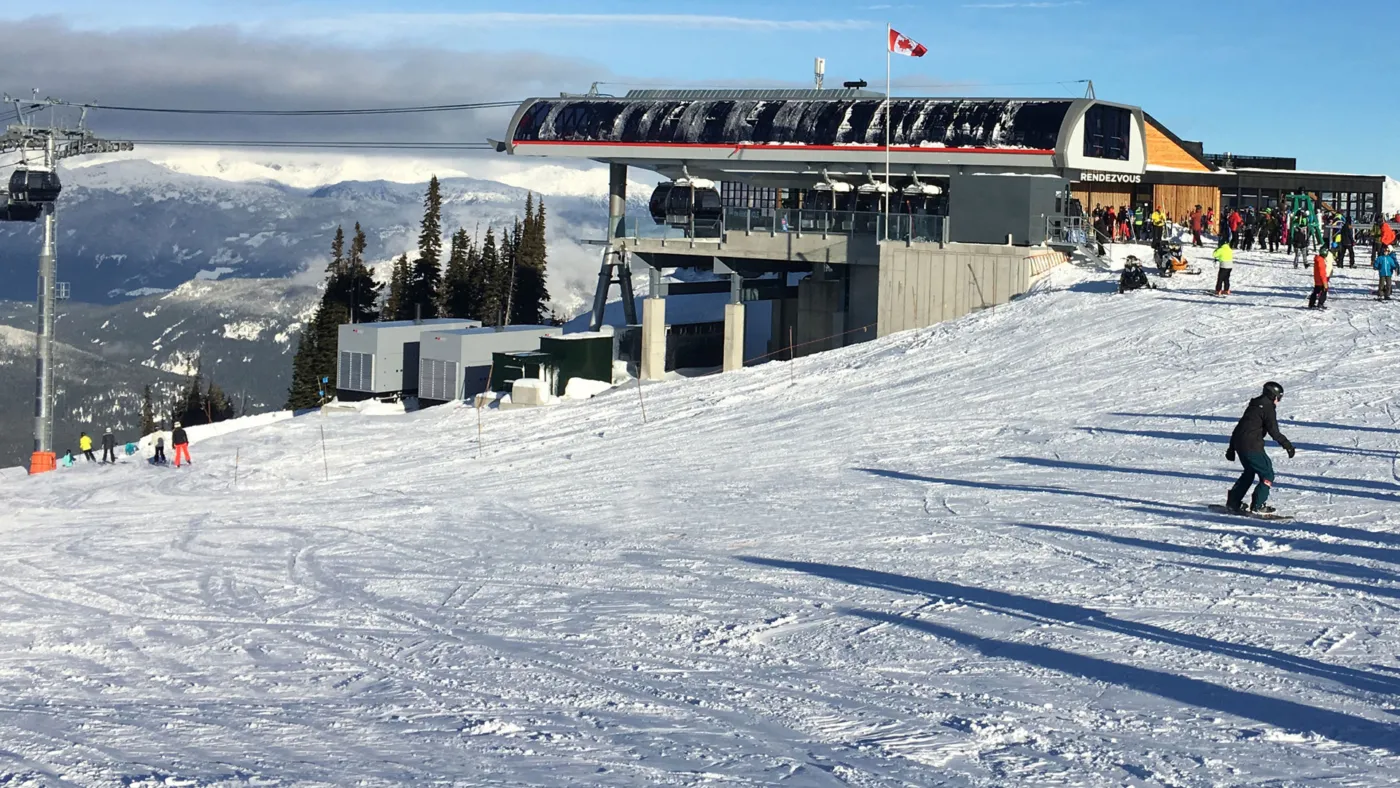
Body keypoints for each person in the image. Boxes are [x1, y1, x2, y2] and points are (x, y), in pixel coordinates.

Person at [1225, 381, 1295, 515]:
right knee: (1267, 473)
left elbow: (1240, 427)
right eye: (1278, 397)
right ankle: (1258, 505)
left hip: (1241, 444)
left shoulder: (1254, 406)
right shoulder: (1267, 408)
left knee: (1249, 472)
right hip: (1252, 446)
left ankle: (1233, 502)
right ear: (1273, 396)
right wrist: (1288, 446)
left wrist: (1232, 447)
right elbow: (1274, 431)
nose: (1278, 401)